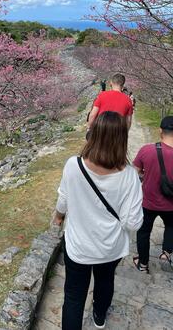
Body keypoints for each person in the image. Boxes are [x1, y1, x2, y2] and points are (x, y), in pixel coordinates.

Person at [53, 111, 143, 330]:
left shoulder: (73, 165)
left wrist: (58, 217)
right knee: (105, 281)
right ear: (123, 138)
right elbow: (133, 223)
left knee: (73, 296)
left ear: (93, 134)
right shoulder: (130, 176)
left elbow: (63, 201)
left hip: (78, 246)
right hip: (110, 247)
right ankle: (99, 317)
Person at [133, 116, 173, 273]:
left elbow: (135, 173)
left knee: (143, 232)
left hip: (148, 202)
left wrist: (146, 175)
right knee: (171, 226)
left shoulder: (146, 150)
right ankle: (166, 254)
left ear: (160, 131)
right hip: (171, 204)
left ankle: (143, 264)